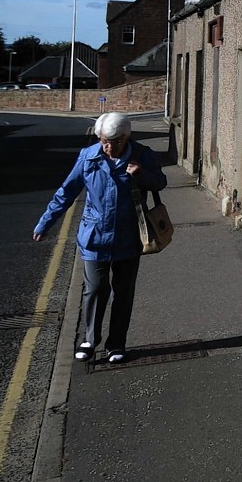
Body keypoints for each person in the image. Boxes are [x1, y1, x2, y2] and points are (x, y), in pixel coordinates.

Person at [33, 112, 166, 364]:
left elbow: (160, 183)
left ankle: (116, 344)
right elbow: (66, 192)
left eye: (114, 141)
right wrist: (46, 222)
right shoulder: (89, 157)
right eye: (104, 140)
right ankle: (90, 339)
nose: (108, 147)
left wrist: (141, 174)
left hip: (129, 237)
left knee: (123, 293)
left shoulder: (143, 155)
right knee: (94, 289)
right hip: (94, 237)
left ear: (126, 137)